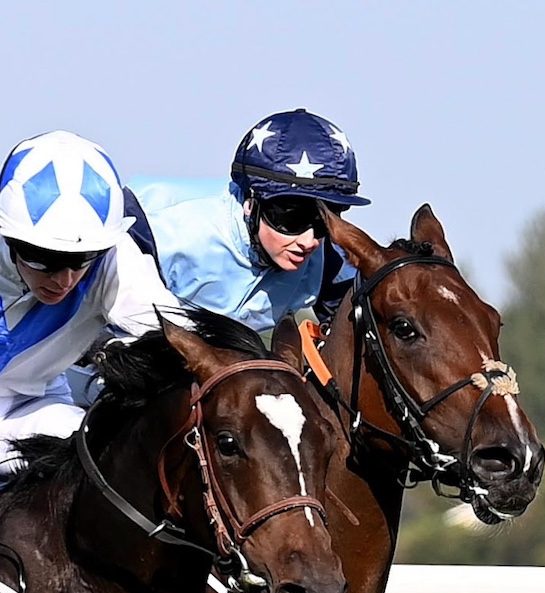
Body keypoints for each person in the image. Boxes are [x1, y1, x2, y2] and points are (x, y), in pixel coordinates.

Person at [0, 131, 175, 474]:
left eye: (81, 258)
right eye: (43, 258)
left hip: (34, 407)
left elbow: (179, 332)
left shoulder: (112, 257)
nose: (65, 280)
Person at [132, 108, 367, 336]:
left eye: (323, 223)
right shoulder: (158, 229)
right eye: (292, 219)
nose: (309, 242)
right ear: (250, 203)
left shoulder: (329, 259)